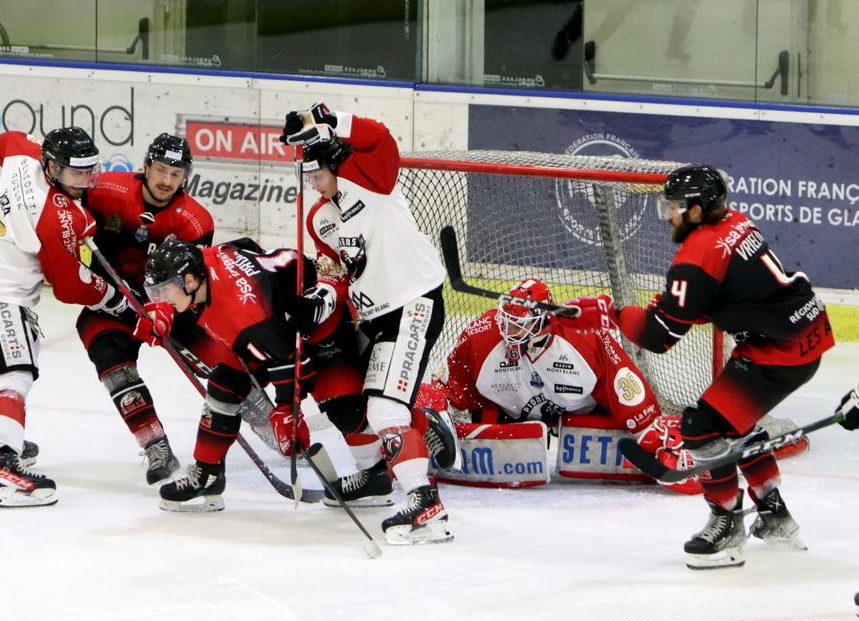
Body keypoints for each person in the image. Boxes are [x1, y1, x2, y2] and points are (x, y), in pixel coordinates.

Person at [561, 164, 834, 569]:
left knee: (701, 426)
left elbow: (659, 338)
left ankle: (727, 523)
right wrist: (668, 308)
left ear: (697, 209)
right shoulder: (735, 223)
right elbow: (724, 295)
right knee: (734, 422)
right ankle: (776, 518)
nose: (668, 215)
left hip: (779, 349)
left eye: (674, 206)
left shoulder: (698, 254)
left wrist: (612, 314)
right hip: (804, 332)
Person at [281, 102, 452, 545]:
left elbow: (379, 138)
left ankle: (424, 501)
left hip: (413, 303)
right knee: (352, 400)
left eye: (318, 173)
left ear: (336, 164)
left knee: (384, 410)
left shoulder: (372, 180)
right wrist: (319, 299)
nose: (314, 183)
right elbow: (336, 275)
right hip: (374, 317)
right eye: (308, 175)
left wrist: (329, 119)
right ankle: (384, 468)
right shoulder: (319, 219)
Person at [0, 127, 132, 508]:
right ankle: (6, 470)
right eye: (75, 173)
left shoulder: (24, 154)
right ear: (51, 167)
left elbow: (6, 140)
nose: (84, 181)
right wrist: (115, 298)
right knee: (14, 373)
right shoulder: (57, 217)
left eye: (88, 171)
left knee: (27, 342)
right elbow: (70, 286)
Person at [136, 237, 370, 513]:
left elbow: (291, 360)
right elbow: (247, 244)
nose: (160, 299)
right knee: (224, 385)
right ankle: (207, 474)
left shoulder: (242, 313)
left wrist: (287, 410)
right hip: (276, 321)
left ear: (189, 280)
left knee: (346, 412)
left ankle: (380, 469)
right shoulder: (208, 257)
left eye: (163, 291)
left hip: (319, 323)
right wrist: (164, 314)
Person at [415, 277, 700, 494]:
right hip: (507, 417)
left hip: (584, 414)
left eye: (518, 323)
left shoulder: (585, 338)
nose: (508, 330)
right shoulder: (482, 336)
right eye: (506, 320)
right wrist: (430, 413)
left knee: (646, 429)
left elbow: (624, 385)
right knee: (424, 409)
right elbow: (445, 387)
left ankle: (682, 445)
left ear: (541, 321)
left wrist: (649, 430)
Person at [76, 133, 213, 486]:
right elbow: (65, 211)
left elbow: (193, 286)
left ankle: (270, 422)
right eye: (162, 170)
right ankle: (155, 447)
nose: (167, 180)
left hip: (170, 306)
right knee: (112, 362)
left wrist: (165, 312)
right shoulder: (105, 190)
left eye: (176, 174)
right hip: (109, 302)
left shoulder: (195, 221)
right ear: (146, 167)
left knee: (220, 362)